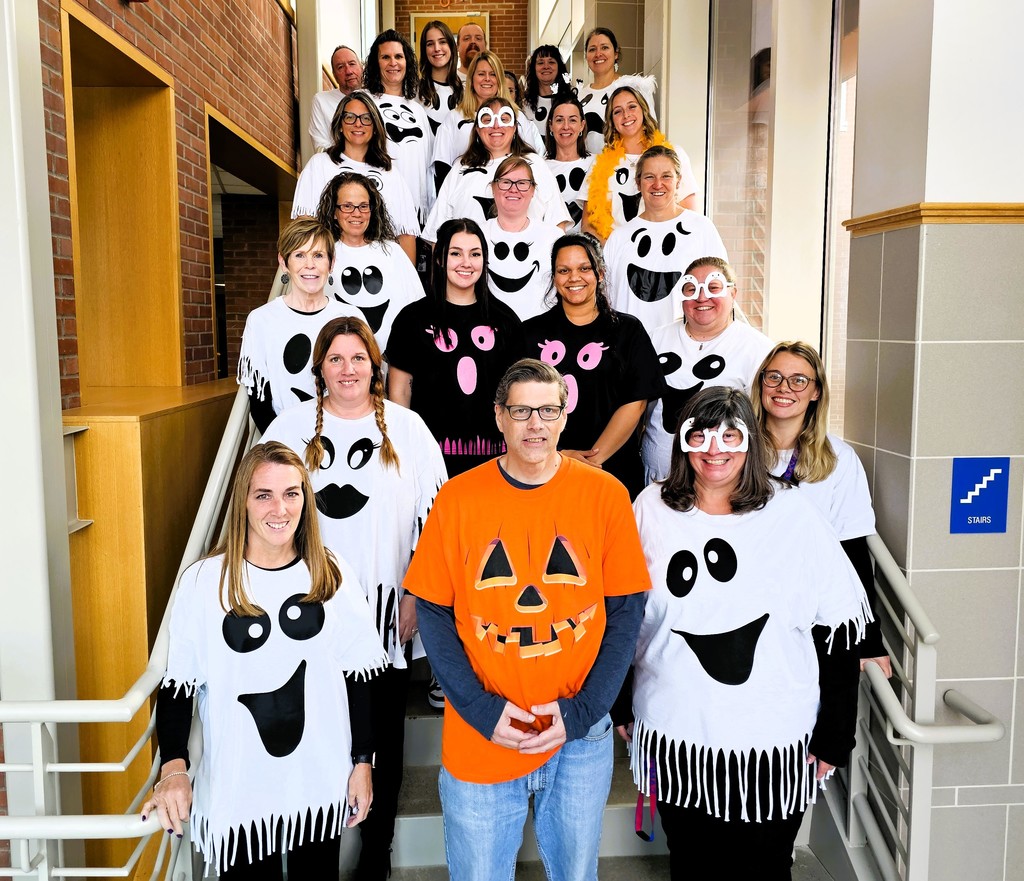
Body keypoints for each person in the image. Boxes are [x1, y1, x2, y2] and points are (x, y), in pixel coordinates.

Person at [405, 357, 651, 881]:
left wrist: (585, 710)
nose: (535, 423)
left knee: (576, 875)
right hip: (482, 735)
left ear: (564, 416)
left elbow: (626, 610)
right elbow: (433, 609)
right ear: (499, 416)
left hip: (578, 738)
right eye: (521, 411)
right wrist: (478, 708)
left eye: (547, 410)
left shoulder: (606, 495)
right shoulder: (458, 497)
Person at [626, 387, 870, 879]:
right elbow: (625, 613)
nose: (714, 449)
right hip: (676, 733)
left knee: (765, 866)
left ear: (751, 442)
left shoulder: (792, 513)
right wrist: (620, 704)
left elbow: (836, 625)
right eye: (699, 435)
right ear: (682, 441)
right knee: (691, 864)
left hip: (771, 740)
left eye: (730, 436)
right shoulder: (650, 507)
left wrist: (835, 730)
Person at [141, 441, 388, 877]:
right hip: (240, 789)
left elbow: (361, 678)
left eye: (292, 493)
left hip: (317, 781)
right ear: (243, 502)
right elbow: (178, 686)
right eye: (264, 495)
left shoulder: (331, 574)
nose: (280, 508)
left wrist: (363, 762)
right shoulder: (205, 583)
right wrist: (174, 767)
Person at [262, 317, 447, 880]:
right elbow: (262, 513)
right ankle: (311, 851)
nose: (347, 369)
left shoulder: (407, 428)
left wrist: (415, 593)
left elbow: (435, 522)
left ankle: (375, 852)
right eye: (336, 359)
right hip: (307, 615)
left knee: (384, 736)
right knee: (317, 732)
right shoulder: (290, 427)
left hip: (383, 612)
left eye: (358, 358)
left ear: (375, 366)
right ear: (319, 366)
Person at [752, 341, 892, 676]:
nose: (784, 388)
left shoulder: (839, 459)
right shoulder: (734, 451)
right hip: (751, 607)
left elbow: (853, 550)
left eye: (799, 380)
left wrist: (870, 639)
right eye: (774, 377)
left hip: (818, 615)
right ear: (761, 384)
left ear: (816, 392)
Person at [522, 233, 664, 499]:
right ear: (554, 277)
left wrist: (592, 461)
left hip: (614, 472)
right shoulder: (529, 334)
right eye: (564, 270)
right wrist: (558, 457)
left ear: (600, 273)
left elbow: (636, 403)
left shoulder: (628, 331)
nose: (574, 277)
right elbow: (518, 406)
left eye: (584, 268)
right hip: (545, 470)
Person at [386, 218, 524, 478]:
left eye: (475, 254)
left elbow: (519, 393)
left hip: (495, 460)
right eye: (456, 253)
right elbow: (400, 392)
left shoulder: (505, 320)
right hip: (428, 459)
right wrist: (404, 448)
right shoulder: (412, 319)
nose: (466, 263)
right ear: (440, 258)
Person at [642, 256, 773, 483]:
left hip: (722, 481)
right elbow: (638, 405)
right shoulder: (655, 339)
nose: (702, 297)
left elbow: (766, 421)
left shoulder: (758, 349)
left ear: (733, 293)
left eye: (713, 287)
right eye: (691, 289)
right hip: (657, 476)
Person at [237, 218, 361, 433]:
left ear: (331, 263)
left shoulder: (351, 316)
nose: (309, 265)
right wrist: (286, 443)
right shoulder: (261, 321)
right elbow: (259, 404)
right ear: (284, 262)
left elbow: (363, 386)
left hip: (344, 435)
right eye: (300, 255)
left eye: (318, 255)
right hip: (285, 440)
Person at [604, 145, 727, 330]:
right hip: (629, 343)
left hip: (683, 341)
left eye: (666, 176)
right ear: (638, 182)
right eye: (649, 177)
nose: (657, 184)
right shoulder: (619, 237)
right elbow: (606, 299)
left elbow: (720, 291)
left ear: (678, 181)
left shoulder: (701, 229)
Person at [292, 91, 420, 264]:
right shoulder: (320, 164)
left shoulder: (390, 174)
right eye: (350, 117)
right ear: (339, 124)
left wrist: (407, 277)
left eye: (366, 118)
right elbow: (305, 226)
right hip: (330, 266)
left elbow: (405, 236)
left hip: (379, 268)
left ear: (375, 127)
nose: (358, 124)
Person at [423, 96, 570, 242]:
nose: (496, 126)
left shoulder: (535, 164)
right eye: (487, 120)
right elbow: (437, 233)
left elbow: (557, 222)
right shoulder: (460, 167)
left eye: (504, 119)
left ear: (514, 128)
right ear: (478, 129)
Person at [315, 171, 424, 352]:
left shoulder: (392, 252)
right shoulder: (321, 253)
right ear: (334, 212)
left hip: (389, 359)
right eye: (347, 206)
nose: (356, 213)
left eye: (363, 206)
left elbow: (417, 307)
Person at [584, 86, 697, 243]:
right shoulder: (599, 164)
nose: (626, 115)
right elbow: (588, 225)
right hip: (614, 252)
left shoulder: (673, 154)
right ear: (611, 120)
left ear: (644, 110)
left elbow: (690, 214)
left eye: (632, 106)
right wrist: (614, 251)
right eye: (617, 111)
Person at [430, 51, 545, 192]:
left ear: (499, 79)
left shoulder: (517, 117)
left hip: (512, 195)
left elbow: (530, 163)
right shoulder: (454, 118)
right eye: (481, 74)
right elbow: (442, 166)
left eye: (493, 74)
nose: (487, 79)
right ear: (471, 79)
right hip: (467, 195)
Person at [481, 155, 564, 320]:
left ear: (533, 190)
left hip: (541, 331)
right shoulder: (477, 235)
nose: (513, 189)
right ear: (493, 187)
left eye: (522, 183)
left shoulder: (554, 236)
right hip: (488, 329)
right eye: (506, 182)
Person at [363, 29, 434, 220]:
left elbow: (427, 166)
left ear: (407, 62)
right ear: (376, 63)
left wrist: (428, 210)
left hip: (414, 212)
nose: (393, 63)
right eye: (385, 57)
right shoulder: (363, 102)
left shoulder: (418, 110)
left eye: (398, 56)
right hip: (375, 208)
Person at [577, 27, 656, 154]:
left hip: (629, 161)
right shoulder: (579, 96)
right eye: (592, 49)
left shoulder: (634, 86)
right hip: (590, 164)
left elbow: (652, 130)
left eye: (604, 47)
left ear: (616, 53)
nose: (598, 54)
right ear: (586, 56)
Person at [544, 94, 593, 233]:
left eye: (572, 120)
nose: (566, 127)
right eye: (559, 120)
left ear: (582, 125)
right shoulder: (539, 167)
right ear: (551, 126)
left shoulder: (597, 163)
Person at [309, 45, 365, 151]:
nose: (348, 71)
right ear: (334, 75)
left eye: (352, 64)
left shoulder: (376, 99)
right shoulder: (322, 101)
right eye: (340, 67)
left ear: (361, 67)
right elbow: (320, 145)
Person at [417, 20, 464, 137]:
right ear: (424, 50)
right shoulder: (415, 92)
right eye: (430, 44)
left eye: (442, 42)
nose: (437, 48)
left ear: (451, 46)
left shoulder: (466, 90)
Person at [523, 45, 571, 133]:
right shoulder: (524, 105)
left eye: (551, 62)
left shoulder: (571, 101)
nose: (546, 66)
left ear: (559, 67)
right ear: (534, 68)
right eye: (540, 63)